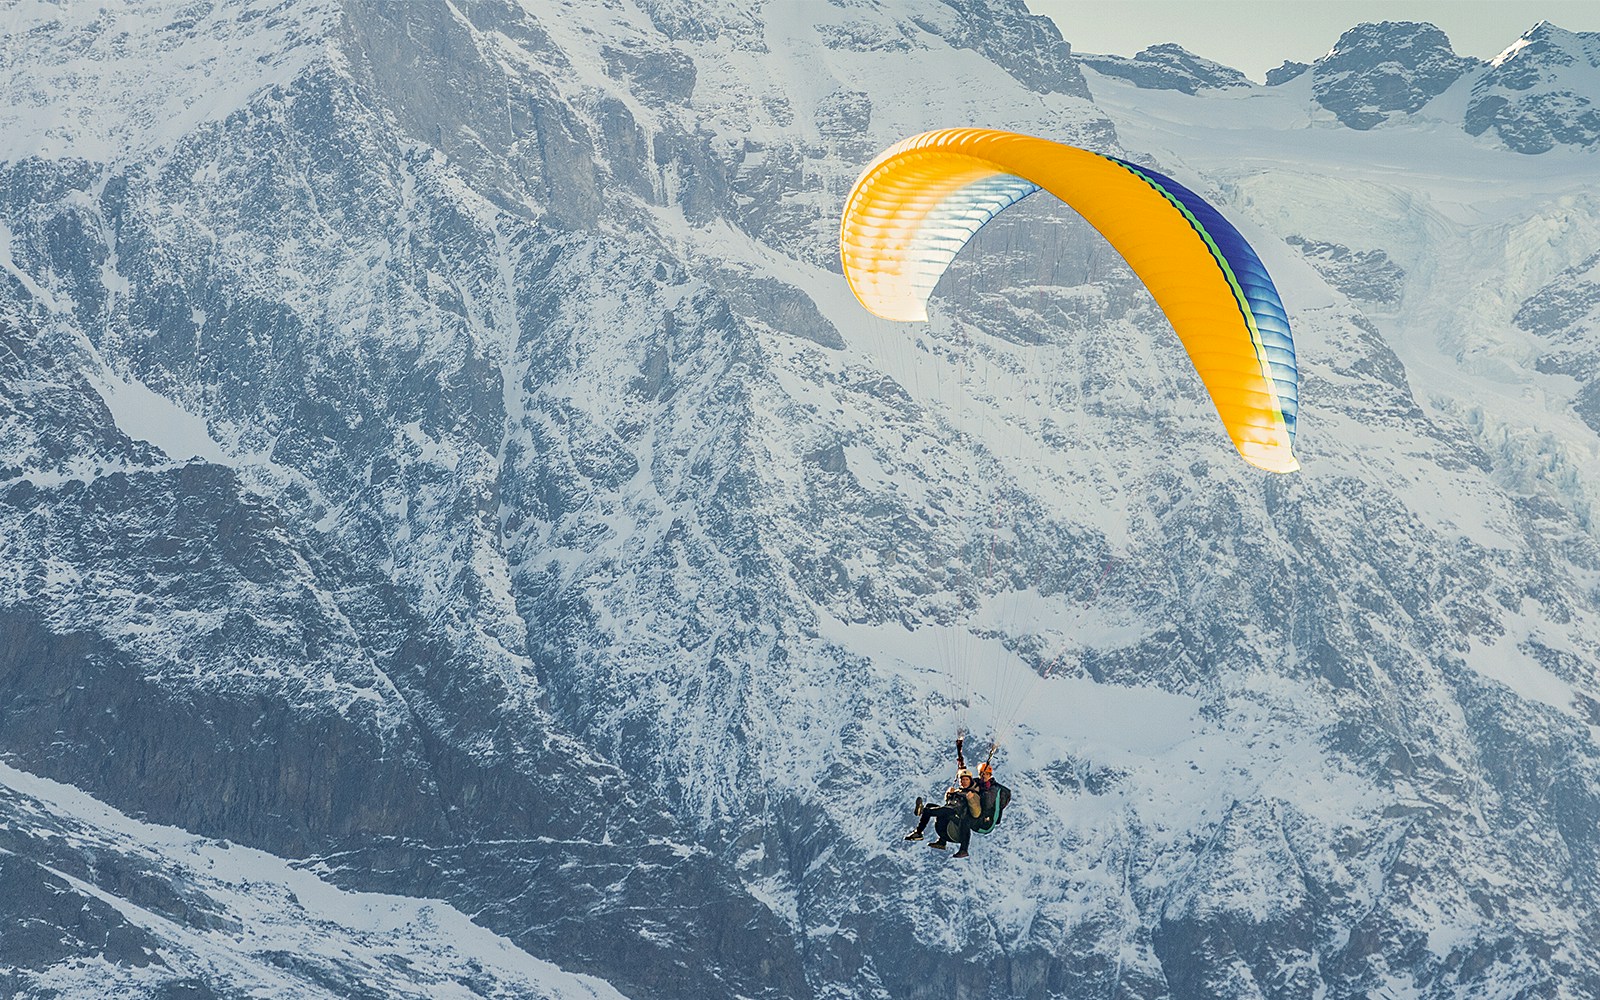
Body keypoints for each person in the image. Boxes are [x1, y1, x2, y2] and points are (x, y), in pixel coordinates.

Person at [904, 738, 982, 859]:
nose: (964, 782)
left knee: (941, 810)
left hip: (958, 818)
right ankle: (922, 833)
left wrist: (971, 799)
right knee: (931, 806)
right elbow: (949, 802)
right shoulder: (959, 791)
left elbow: (976, 812)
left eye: (966, 780)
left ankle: (922, 812)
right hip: (950, 814)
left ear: (970, 781)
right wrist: (949, 794)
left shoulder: (973, 794)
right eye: (962, 780)